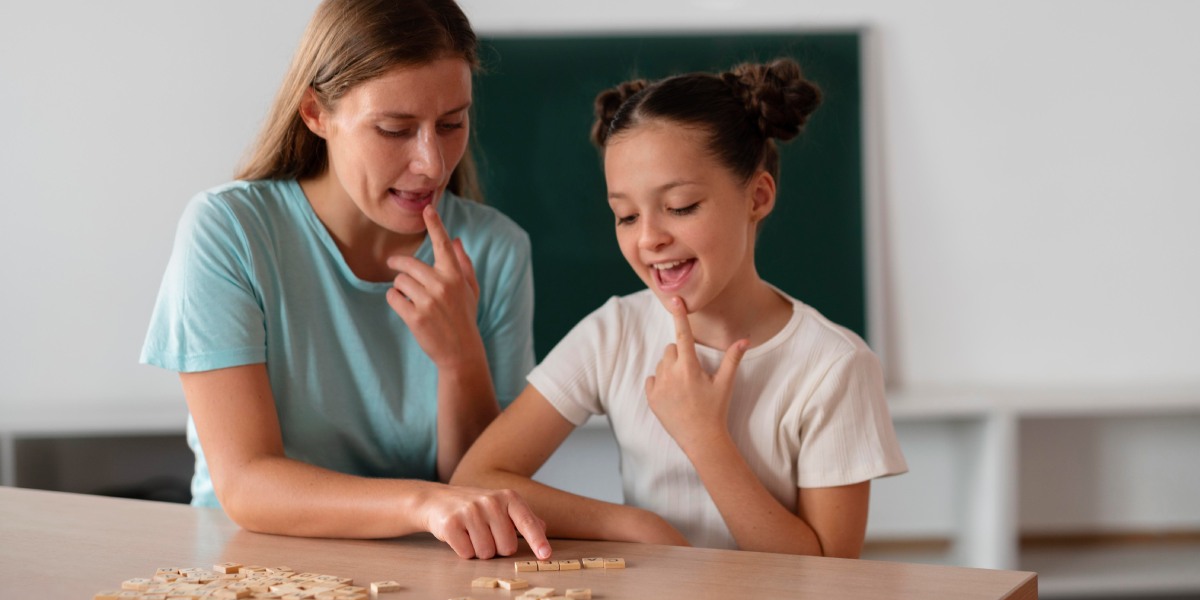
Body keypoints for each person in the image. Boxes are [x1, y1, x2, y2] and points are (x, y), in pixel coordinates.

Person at [140, 0, 551, 561]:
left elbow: (478, 487)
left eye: (452, 123)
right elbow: (245, 483)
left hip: (431, 578)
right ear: (316, 113)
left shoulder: (496, 250)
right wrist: (421, 506)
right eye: (394, 129)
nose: (432, 163)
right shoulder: (229, 230)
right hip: (255, 570)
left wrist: (461, 360)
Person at [451, 58, 907, 556]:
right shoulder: (616, 332)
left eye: (681, 206)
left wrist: (705, 439)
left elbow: (830, 574)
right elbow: (476, 477)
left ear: (757, 196)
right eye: (625, 215)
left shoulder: (834, 367)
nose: (649, 238)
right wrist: (635, 525)